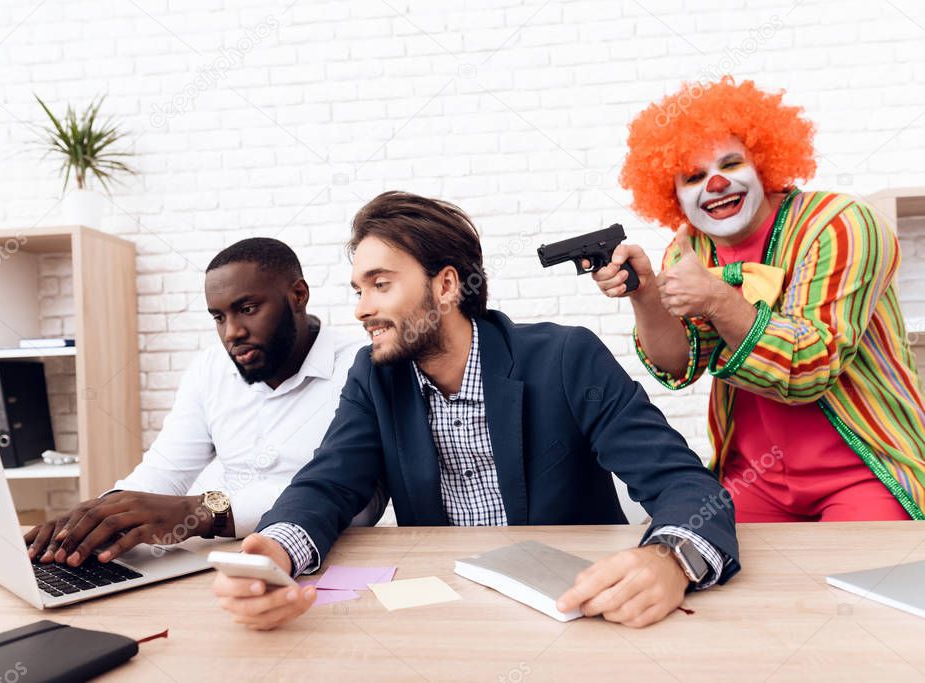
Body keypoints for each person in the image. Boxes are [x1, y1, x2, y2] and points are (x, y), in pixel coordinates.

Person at [212, 191, 739, 631]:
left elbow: (686, 485)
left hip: (575, 614)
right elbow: (328, 484)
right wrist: (273, 553)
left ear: (444, 286)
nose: (361, 308)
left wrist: (672, 558)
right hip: (448, 615)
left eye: (380, 284)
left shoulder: (565, 358)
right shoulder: (373, 377)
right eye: (358, 289)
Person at [588, 76, 925, 522]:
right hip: (755, 477)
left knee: (858, 588)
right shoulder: (691, 250)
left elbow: (811, 367)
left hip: (863, 468)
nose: (715, 184)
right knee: (707, 569)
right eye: (694, 176)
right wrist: (646, 293)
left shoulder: (841, 225)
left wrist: (715, 299)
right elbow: (678, 364)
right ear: (674, 195)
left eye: (730, 164)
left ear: (763, 164)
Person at [24, 237, 382, 567]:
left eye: (248, 308)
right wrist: (95, 518)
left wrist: (202, 511)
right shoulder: (210, 369)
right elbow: (165, 469)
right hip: (221, 561)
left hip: (329, 558)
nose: (232, 333)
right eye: (218, 317)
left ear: (298, 294)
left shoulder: (362, 367)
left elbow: (357, 499)